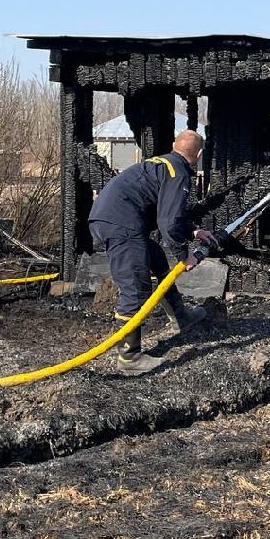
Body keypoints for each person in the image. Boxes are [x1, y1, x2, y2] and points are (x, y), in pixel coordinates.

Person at [89, 129, 217, 375]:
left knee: (156, 258)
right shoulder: (178, 173)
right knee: (135, 287)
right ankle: (129, 358)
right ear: (199, 154)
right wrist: (184, 255)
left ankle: (181, 317)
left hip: (108, 218)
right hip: (121, 224)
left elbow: (167, 212)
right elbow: (169, 222)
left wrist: (193, 231)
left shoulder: (164, 164)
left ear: (173, 145)